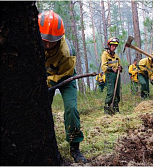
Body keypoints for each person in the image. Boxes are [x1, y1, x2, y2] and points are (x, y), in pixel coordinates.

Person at [38, 10, 87, 163]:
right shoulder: (33, 43)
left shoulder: (66, 52)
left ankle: (75, 148)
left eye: (51, 41)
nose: (47, 44)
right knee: (41, 109)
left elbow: (63, 75)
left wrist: (48, 82)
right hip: (46, 77)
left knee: (71, 109)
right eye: (44, 40)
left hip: (66, 77)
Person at [101, 37, 122, 114]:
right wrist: (111, 69)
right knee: (111, 92)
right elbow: (103, 67)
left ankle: (116, 108)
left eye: (115, 46)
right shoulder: (105, 54)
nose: (114, 47)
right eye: (112, 45)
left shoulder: (116, 56)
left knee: (117, 92)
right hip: (109, 75)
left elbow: (119, 64)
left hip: (117, 75)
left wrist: (120, 68)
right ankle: (107, 108)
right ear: (109, 46)